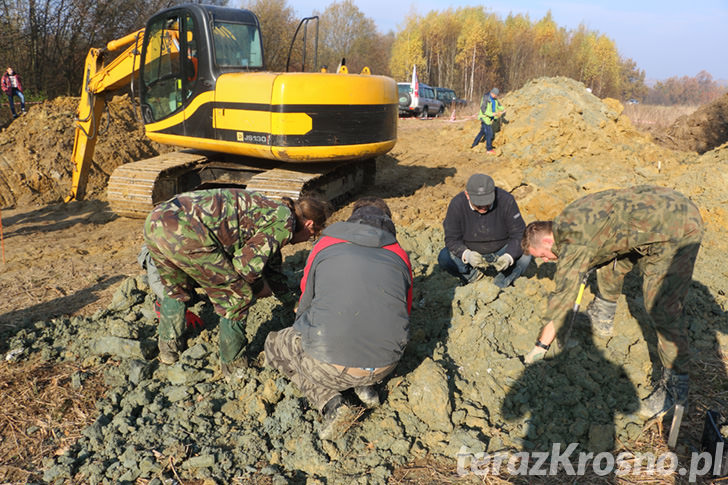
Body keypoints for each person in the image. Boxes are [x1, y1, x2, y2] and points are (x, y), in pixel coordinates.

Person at [521, 185, 703, 419]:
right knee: (610, 263)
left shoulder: (574, 244)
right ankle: (603, 314)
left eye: (542, 255)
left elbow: (562, 302)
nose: (546, 260)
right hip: (660, 207)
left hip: (677, 229)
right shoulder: (568, 218)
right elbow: (602, 241)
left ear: (547, 240)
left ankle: (675, 389)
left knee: (661, 307)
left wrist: (541, 347)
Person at [143, 188, 329, 382]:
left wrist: (291, 302)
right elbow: (244, 265)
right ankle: (235, 368)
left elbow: (271, 265)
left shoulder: (274, 209)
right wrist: (258, 288)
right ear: (309, 225)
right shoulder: (284, 222)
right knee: (237, 298)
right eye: (312, 236)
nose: (308, 240)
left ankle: (168, 350)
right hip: (186, 233)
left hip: (156, 221)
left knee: (176, 289)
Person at [265, 197, 413, 440]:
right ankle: (366, 386)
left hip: (329, 365)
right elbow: (404, 313)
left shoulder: (326, 244)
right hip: (386, 364)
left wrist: (304, 330)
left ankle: (331, 403)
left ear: (352, 220)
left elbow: (306, 300)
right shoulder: (399, 255)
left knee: (275, 344)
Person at [438, 174, 531, 288]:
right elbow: (452, 238)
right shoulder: (457, 204)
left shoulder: (506, 200)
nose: (483, 207)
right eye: (478, 203)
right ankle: (474, 277)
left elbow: (519, 234)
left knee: (526, 255)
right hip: (472, 251)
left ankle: (501, 282)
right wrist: (467, 254)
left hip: (501, 250)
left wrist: (509, 256)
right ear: (467, 195)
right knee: (445, 258)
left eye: (487, 201)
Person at [470, 88, 505, 153]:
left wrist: (503, 109)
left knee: (482, 132)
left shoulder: (495, 99)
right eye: (496, 95)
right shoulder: (486, 98)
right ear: (492, 93)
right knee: (489, 133)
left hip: (490, 118)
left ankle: (474, 144)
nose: (496, 96)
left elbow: (499, 105)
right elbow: (483, 109)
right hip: (485, 118)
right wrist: (491, 114)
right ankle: (489, 149)